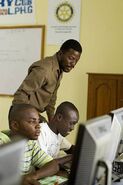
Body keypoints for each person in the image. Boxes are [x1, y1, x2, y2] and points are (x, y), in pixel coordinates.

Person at [12, 39, 82, 121]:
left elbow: (51, 100)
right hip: (22, 114)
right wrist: (31, 118)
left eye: (76, 61)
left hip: (33, 114)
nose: (73, 64)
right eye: (71, 58)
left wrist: (52, 124)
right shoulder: (44, 69)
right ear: (60, 53)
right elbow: (21, 95)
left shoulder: (59, 70)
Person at [1, 104, 59, 185]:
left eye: (38, 121)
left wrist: (31, 176)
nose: (38, 126)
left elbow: (54, 165)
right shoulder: (2, 141)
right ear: (15, 125)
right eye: (32, 121)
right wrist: (18, 180)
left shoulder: (29, 143)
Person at [38, 101, 79, 167]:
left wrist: (83, 151)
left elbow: (71, 148)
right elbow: (44, 165)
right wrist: (71, 157)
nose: (72, 128)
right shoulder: (41, 131)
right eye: (71, 123)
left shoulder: (58, 134)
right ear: (59, 117)